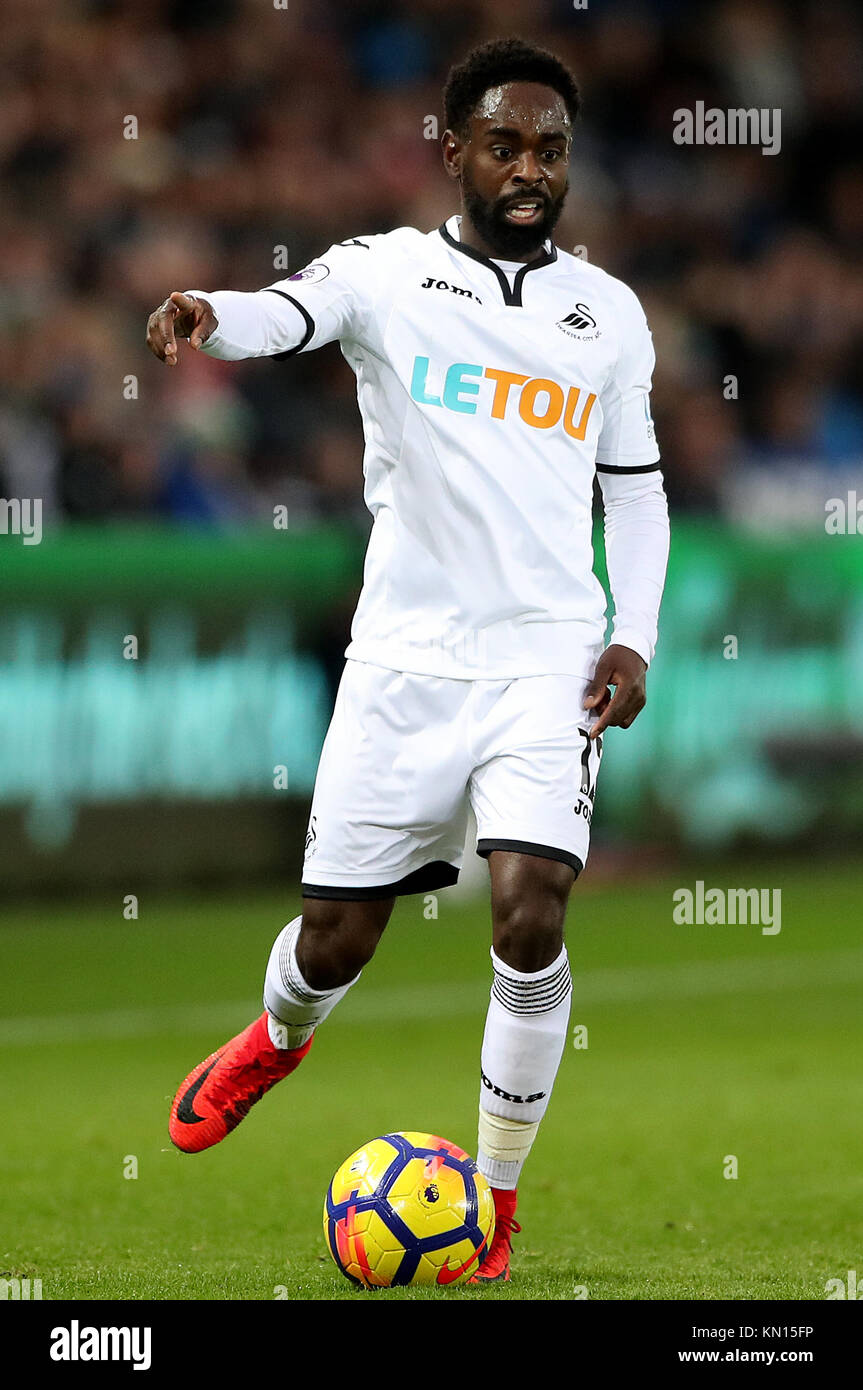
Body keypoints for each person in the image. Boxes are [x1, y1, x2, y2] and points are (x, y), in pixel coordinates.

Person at [147, 36, 670, 1285]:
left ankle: (490, 1200)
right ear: (453, 151)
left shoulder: (607, 315)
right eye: (504, 144)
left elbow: (636, 497)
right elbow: (287, 313)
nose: (530, 168)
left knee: (528, 911)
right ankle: (277, 1035)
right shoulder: (385, 274)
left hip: (545, 663)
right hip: (403, 660)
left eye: (550, 147)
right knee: (336, 939)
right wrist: (211, 312)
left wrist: (631, 636)